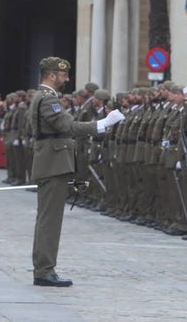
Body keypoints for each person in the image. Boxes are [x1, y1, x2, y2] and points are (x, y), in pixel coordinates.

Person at [30, 57, 123, 286]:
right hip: (53, 162)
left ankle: (43, 268)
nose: (66, 79)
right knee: (50, 220)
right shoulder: (48, 98)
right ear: (52, 75)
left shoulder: (43, 96)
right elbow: (67, 126)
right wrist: (103, 123)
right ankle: (44, 270)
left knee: (47, 218)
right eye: (63, 75)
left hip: (51, 160)